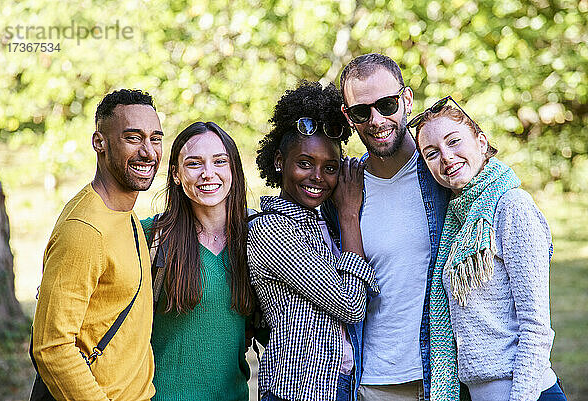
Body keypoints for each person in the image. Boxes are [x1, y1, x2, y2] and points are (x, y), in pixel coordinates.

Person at [412, 99, 567, 401]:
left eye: (454, 141)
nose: (446, 157)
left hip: (526, 392)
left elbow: (536, 329)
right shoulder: (457, 222)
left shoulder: (512, 207)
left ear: (481, 142)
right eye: (432, 153)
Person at [321, 53, 450, 401]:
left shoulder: (443, 175)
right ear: (349, 117)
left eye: (388, 104)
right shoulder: (342, 188)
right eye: (363, 111)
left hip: (440, 375)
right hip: (368, 381)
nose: (377, 120)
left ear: (406, 99)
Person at [248, 81, 379, 401]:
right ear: (280, 162)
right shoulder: (270, 231)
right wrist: (349, 213)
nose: (318, 177)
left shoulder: (324, 226)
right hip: (296, 393)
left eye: (330, 167)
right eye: (304, 163)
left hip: (341, 387)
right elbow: (350, 305)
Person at [31, 89, 162, 400]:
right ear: (99, 142)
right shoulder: (85, 230)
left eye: (155, 139)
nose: (148, 152)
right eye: (133, 138)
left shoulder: (123, 213)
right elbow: (51, 346)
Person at [140, 121, 253, 401]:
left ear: (233, 170)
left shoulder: (258, 238)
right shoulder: (149, 237)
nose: (208, 173)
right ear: (176, 175)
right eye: (194, 163)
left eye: (219, 161)